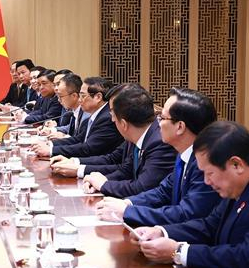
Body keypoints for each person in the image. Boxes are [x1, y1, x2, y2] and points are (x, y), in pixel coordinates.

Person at [132, 121, 249, 268]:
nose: (207, 182)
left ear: (236, 164)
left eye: (210, 173)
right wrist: (161, 232)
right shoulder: (239, 184)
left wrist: (179, 252)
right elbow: (209, 226)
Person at [94, 88, 221, 224]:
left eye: (162, 118)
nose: (158, 123)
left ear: (180, 127)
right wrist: (127, 203)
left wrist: (128, 212)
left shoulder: (207, 163)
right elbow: (163, 191)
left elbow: (187, 213)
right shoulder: (184, 154)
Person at [59, 84, 176, 197]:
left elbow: (142, 187)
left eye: (112, 113)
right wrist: (101, 180)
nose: (112, 119)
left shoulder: (159, 142)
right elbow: (126, 170)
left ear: (124, 124)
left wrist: (104, 185)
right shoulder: (136, 134)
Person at [33, 77, 123, 158]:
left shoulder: (107, 118)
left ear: (98, 97)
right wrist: (50, 144)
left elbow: (88, 148)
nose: (79, 100)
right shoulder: (95, 114)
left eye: (83, 96)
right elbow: (79, 139)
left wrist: (51, 150)